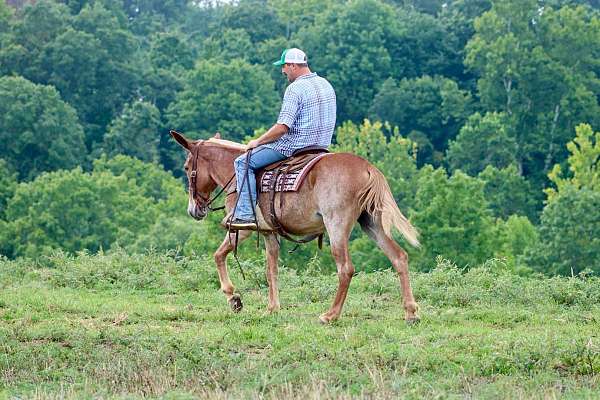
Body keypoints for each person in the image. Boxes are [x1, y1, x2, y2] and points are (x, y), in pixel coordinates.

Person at [229, 48, 337, 230]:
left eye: (284, 66)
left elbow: (282, 127)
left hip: (294, 147)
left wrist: (258, 141)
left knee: (243, 162)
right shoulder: (326, 84)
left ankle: (244, 214)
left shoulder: (294, 89)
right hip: (322, 146)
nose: (283, 71)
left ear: (293, 65)